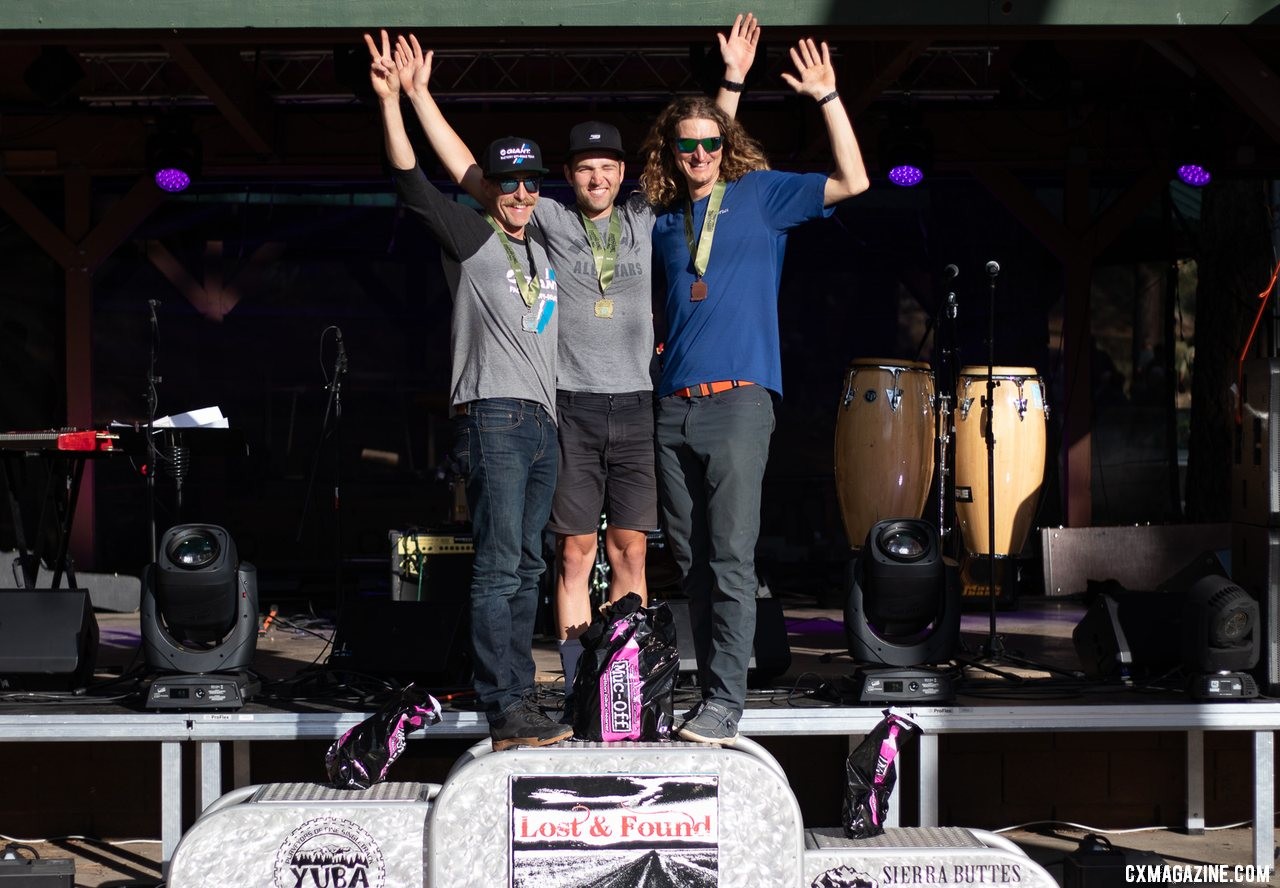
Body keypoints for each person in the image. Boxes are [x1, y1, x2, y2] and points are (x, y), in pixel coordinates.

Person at [387, 17, 759, 697]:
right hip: (571, 408)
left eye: (607, 167)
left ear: (624, 173)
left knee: (631, 551)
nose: (596, 176)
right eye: (584, 167)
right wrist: (417, 96)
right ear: (569, 175)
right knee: (574, 552)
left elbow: (702, 147)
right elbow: (473, 173)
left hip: (639, 404)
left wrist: (731, 80)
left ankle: (631, 679)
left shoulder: (649, 213)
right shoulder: (548, 218)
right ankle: (581, 680)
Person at [638, 38, 870, 744]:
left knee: (731, 558)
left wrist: (827, 97)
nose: (701, 155)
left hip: (739, 403)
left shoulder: (763, 196)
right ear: (673, 152)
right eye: (689, 147)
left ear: (725, 144)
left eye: (711, 144)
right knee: (690, 564)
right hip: (673, 405)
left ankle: (725, 702)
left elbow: (854, 180)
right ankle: (710, 692)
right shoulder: (662, 218)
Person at [364, 30, 571, 751]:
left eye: (530, 182)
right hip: (494, 414)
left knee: (529, 566)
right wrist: (399, 100)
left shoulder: (545, 245)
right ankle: (501, 704)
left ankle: (520, 699)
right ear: (489, 187)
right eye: (507, 182)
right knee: (498, 564)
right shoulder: (472, 236)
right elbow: (416, 179)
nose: (519, 193)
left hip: (544, 422)